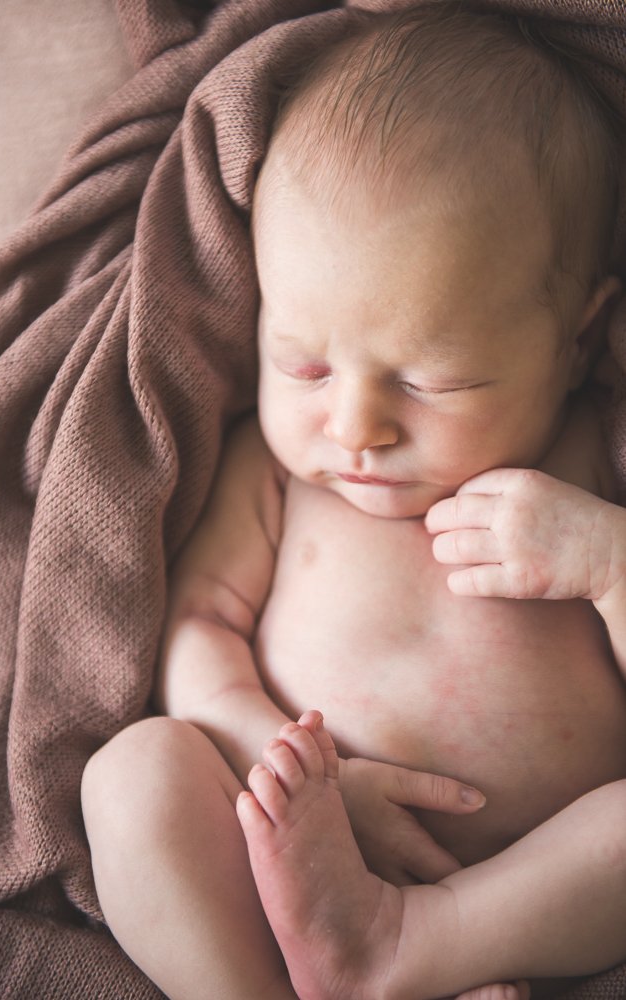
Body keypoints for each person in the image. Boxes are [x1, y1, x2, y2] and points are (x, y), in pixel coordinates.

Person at [81, 4, 626, 999]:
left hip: (536, 902)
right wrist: (280, 763)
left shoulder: (592, 461)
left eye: (432, 381)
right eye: (303, 364)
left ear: (577, 340)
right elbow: (199, 626)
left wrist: (606, 562)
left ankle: (426, 943)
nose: (356, 426)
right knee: (131, 773)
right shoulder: (272, 468)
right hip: (289, 848)